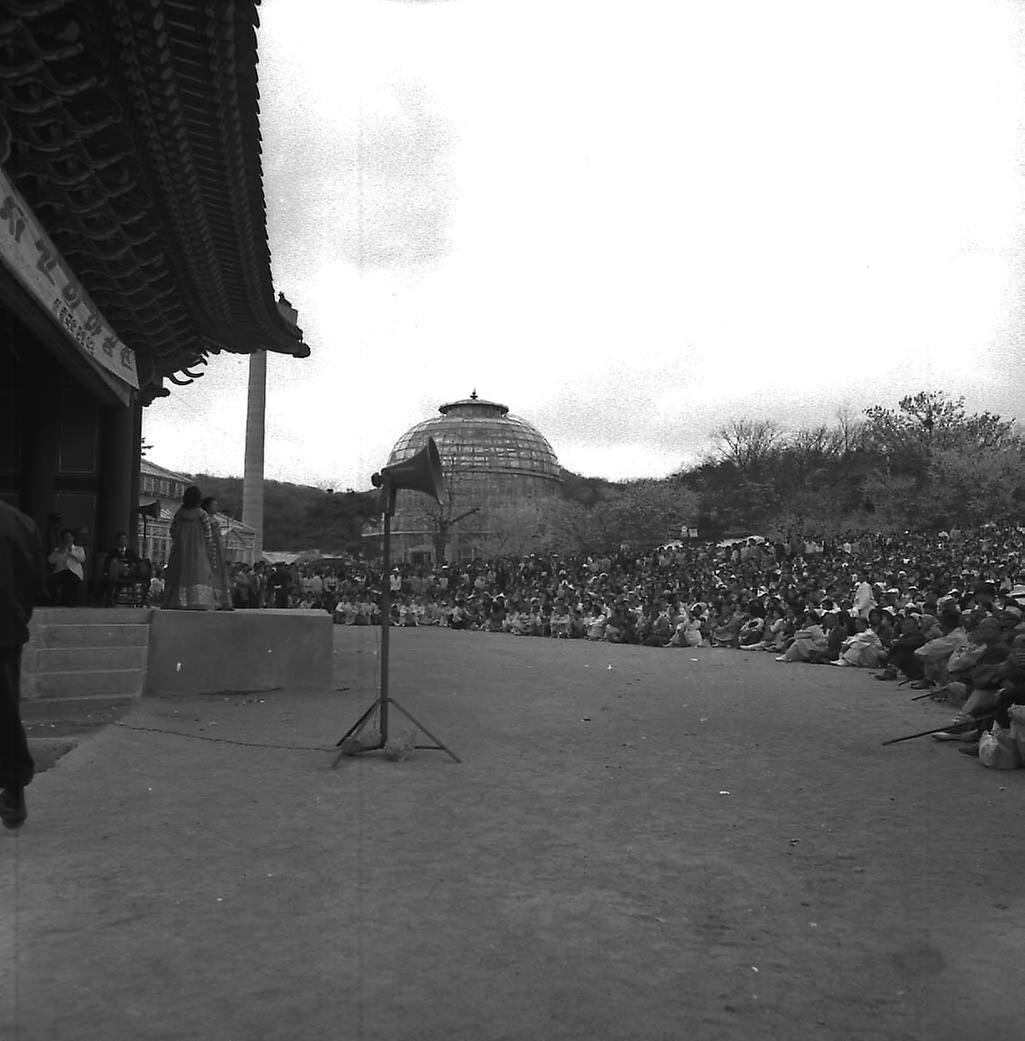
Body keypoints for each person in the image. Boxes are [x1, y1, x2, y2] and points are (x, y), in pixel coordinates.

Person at [0, 501, 47, 829]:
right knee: (4, 708)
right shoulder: (21, 523)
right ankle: (14, 789)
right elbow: (36, 584)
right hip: (7, 628)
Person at [162, 486, 216, 610]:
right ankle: (196, 601)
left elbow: (173, 531)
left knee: (178, 573)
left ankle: (176, 600)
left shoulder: (180, 513)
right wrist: (208, 548)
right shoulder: (202, 514)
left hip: (180, 550)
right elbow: (208, 533)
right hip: (197, 550)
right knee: (196, 573)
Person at [201, 497, 234, 611]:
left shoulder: (215, 521)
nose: (216, 507)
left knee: (220, 575)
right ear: (207, 506)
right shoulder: (204, 519)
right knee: (212, 575)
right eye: (214, 505)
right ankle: (214, 601)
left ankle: (223, 601)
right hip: (211, 550)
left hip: (218, 550)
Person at [101, 530, 142, 607]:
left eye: (125, 539)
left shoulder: (131, 552)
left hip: (129, 574)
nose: (123, 541)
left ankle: (134, 601)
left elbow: (138, 561)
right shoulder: (113, 552)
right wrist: (106, 572)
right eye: (121, 539)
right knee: (109, 581)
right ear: (117, 540)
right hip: (116, 574)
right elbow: (107, 563)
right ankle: (111, 601)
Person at [48, 528, 86, 606]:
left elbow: (81, 559)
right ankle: (56, 599)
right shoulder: (57, 550)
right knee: (50, 580)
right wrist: (58, 552)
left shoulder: (78, 549)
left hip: (74, 572)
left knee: (70, 579)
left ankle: (68, 601)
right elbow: (50, 560)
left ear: (73, 538)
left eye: (69, 537)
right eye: (65, 537)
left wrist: (70, 551)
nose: (67, 539)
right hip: (60, 571)